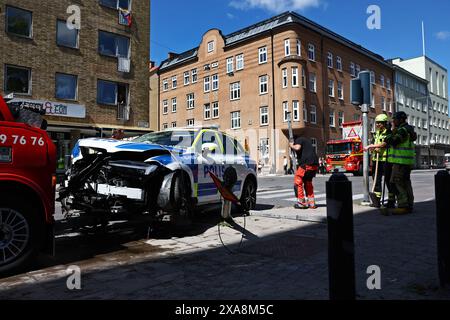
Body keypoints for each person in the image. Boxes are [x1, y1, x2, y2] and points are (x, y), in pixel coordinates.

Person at [384, 111, 416, 215]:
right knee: (406, 183)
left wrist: (388, 131)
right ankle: (409, 205)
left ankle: (403, 206)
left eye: (395, 119)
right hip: (406, 162)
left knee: (397, 182)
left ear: (401, 120)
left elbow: (392, 141)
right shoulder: (408, 130)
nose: (393, 121)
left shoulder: (402, 130)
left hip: (400, 162)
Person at [365, 114, 396, 208]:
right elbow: (374, 143)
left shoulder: (389, 133)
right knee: (376, 180)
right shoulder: (377, 133)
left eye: (380, 123)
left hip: (386, 160)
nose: (378, 125)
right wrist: (374, 148)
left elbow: (384, 144)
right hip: (376, 159)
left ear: (385, 123)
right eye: (377, 123)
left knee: (388, 180)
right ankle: (377, 200)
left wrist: (372, 146)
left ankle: (391, 201)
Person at [289, 136, 319, 210]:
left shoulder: (299, 139)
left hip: (306, 163)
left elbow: (297, 147)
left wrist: (291, 145)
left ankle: (301, 203)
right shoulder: (306, 142)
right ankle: (312, 204)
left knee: (298, 180)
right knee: (308, 182)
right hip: (314, 164)